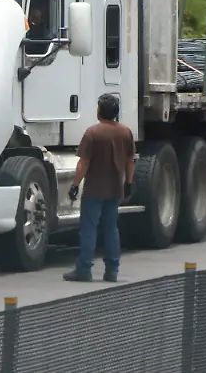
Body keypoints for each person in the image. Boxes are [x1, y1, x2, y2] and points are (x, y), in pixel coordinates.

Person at [64, 93, 136, 283]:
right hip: (114, 189)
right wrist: (128, 183)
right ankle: (112, 270)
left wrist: (75, 185)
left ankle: (84, 269)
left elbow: (83, 163)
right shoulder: (126, 132)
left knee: (89, 229)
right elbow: (130, 162)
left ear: (100, 111)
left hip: (94, 190)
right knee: (111, 228)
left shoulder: (92, 133)